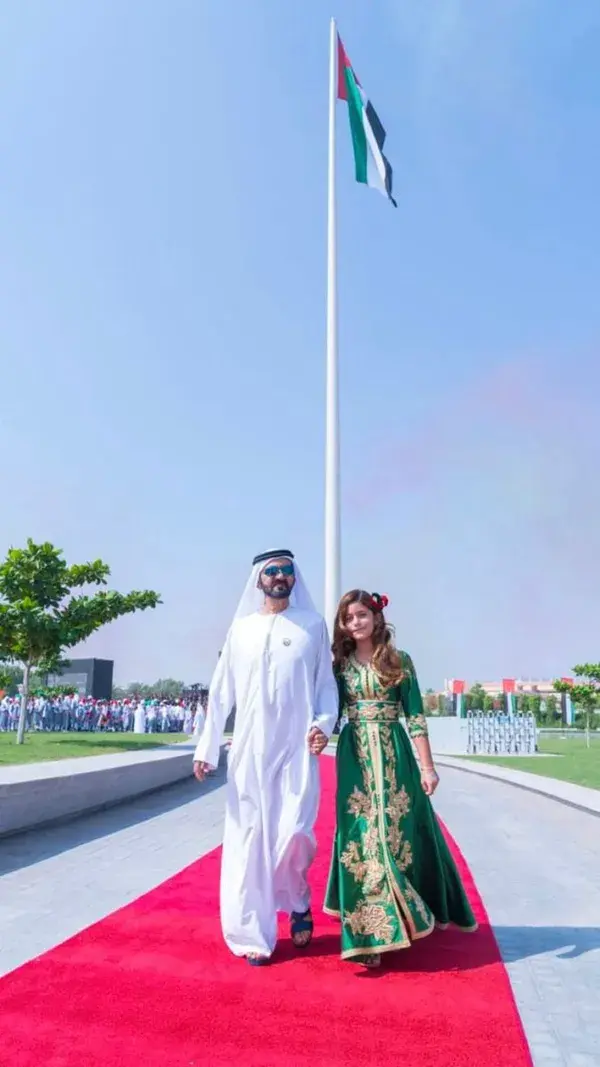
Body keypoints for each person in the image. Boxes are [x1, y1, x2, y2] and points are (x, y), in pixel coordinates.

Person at [193, 549, 338, 966]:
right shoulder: (240, 630)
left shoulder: (312, 626)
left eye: (286, 571)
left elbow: (325, 686)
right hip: (249, 751)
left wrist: (322, 726)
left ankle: (296, 899)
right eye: (271, 571)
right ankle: (252, 935)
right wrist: (207, 749)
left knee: (295, 833)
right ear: (258, 579)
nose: (279, 577)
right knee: (248, 840)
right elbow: (221, 692)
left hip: (296, 750)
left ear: (294, 578)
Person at [324, 590, 477, 968]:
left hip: (396, 755)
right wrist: (316, 731)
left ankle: (403, 920)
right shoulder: (338, 664)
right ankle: (369, 935)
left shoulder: (398, 660)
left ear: (377, 618)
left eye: (362, 615)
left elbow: (416, 718)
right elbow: (328, 711)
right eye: (349, 618)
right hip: (354, 756)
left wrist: (428, 767)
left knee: (396, 836)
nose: (355, 623)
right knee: (361, 838)